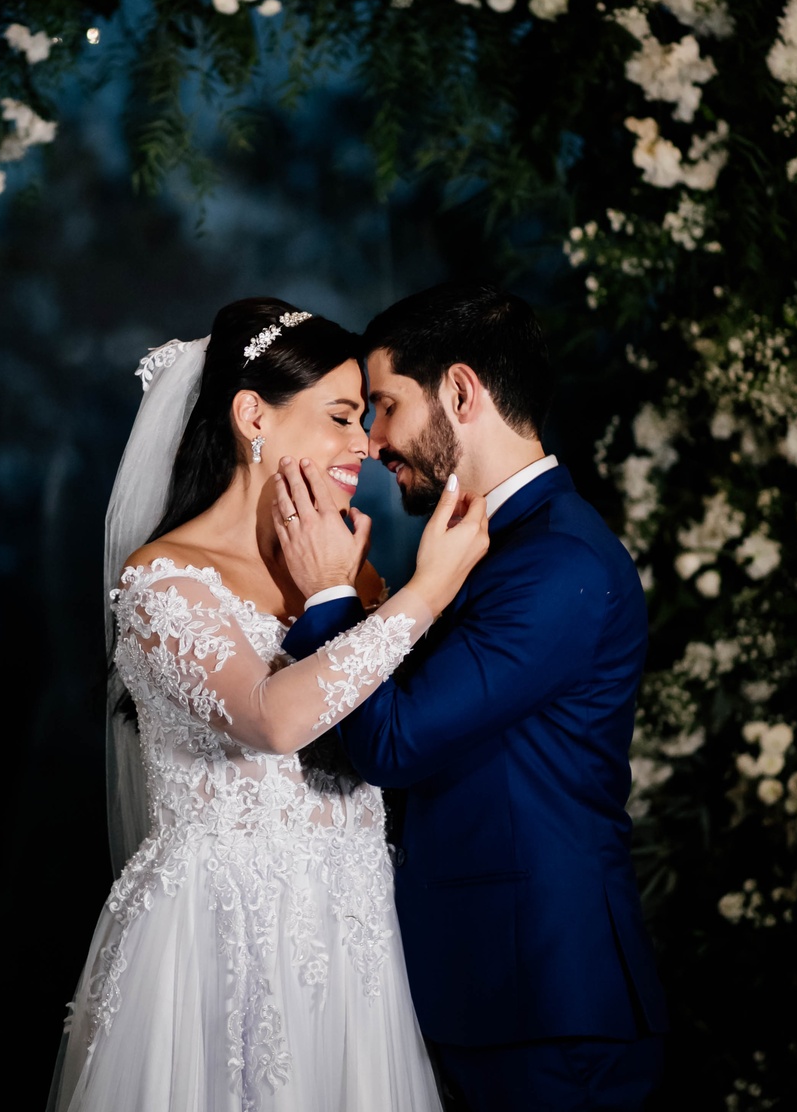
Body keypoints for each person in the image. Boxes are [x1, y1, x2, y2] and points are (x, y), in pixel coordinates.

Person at [47, 296, 489, 1112]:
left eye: (365, 420)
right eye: (340, 417)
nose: (363, 445)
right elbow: (274, 719)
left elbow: (388, 733)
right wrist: (427, 591)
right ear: (253, 415)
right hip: (216, 934)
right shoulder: (161, 581)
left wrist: (347, 592)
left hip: (350, 930)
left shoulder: (345, 570)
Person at [279, 282, 668, 1112]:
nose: (371, 441)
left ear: (460, 392)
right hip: (483, 988)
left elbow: (393, 744)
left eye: (385, 405)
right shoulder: (479, 544)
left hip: (545, 1003)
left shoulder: (556, 562)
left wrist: (328, 596)